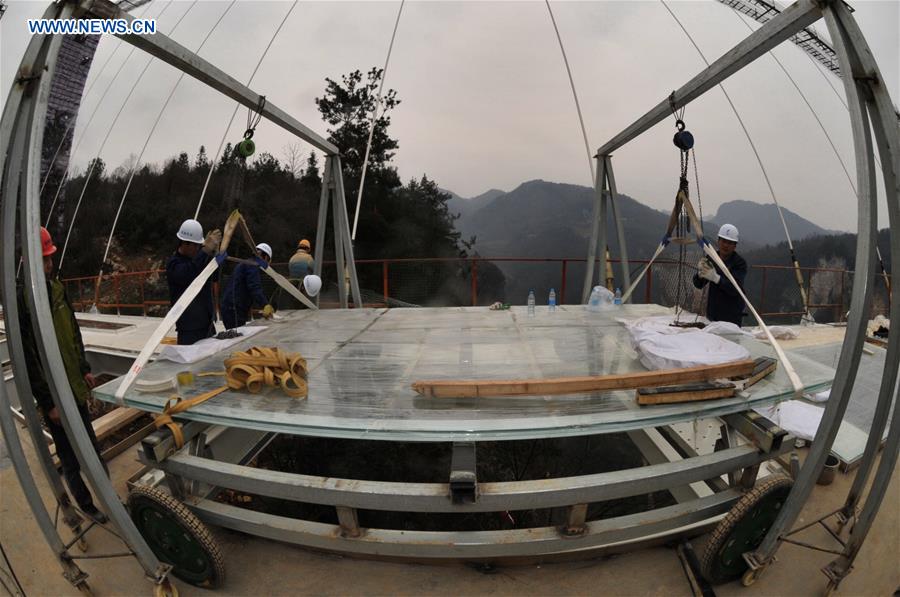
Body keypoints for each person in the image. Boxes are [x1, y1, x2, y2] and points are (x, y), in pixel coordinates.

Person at [17, 227, 108, 523]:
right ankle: (87, 505)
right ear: (30, 261)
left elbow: (73, 333)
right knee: (69, 455)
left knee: (90, 446)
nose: (49, 264)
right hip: (54, 394)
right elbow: (29, 359)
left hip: (73, 384)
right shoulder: (23, 301)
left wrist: (83, 368)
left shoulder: (56, 290)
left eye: (50, 258)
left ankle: (107, 496)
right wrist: (48, 401)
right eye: (44, 259)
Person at [165, 219, 221, 345]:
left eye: (199, 246)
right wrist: (204, 251)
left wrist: (213, 255)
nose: (197, 249)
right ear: (184, 243)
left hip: (207, 323)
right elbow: (187, 274)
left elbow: (214, 276)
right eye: (195, 246)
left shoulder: (197, 260)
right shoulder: (174, 264)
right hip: (189, 329)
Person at [693, 223, 747, 326]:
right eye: (723, 241)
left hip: (731, 316)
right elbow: (699, 284)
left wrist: (716, 278)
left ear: (735, 246)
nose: (725, 245)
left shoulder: (739, 263)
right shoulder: (712, 258)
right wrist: (700, 274)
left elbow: (735, 289)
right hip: (713, 314)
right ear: (718, 241)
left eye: (730, 243)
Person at [220, 243, 275, 329]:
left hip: (230, 307)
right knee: (237, 339)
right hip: (234, 309)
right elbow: (254, 288)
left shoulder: (245, 264)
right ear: (266, 258)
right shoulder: (252, 265)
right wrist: (265, 304)